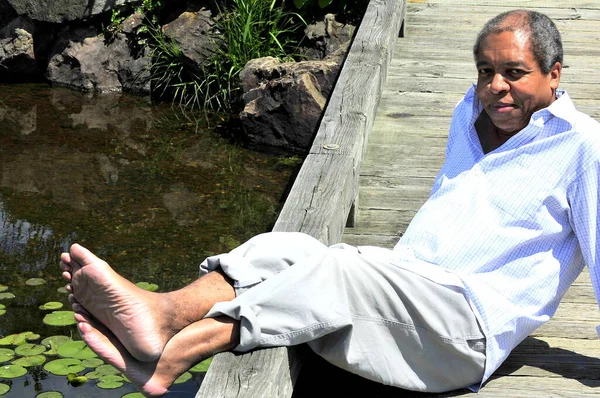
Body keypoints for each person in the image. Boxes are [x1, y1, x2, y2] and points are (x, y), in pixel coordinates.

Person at [59, 9, 600, 398]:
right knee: (281, 248)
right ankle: (164, 312)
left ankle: (183, 348)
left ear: (554, 74)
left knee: (339, 267)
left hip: (464, 333)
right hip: (407, 290)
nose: (496, 87)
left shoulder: (582, 147)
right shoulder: (469, 109)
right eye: (486, 71)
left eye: (515, 73)